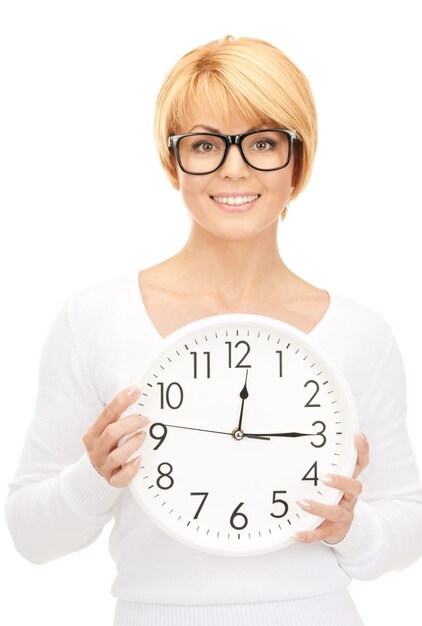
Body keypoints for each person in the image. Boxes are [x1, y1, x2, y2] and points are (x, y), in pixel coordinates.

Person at [5, 35, 422, 626]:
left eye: (262, 142)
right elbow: (29, 535)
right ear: (172, 161)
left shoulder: (360, 333)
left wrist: (353, 527)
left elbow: (407, 520)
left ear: (297, 160)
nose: (234, 167)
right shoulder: (94, 319)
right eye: (205, 144)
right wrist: (93, 477)